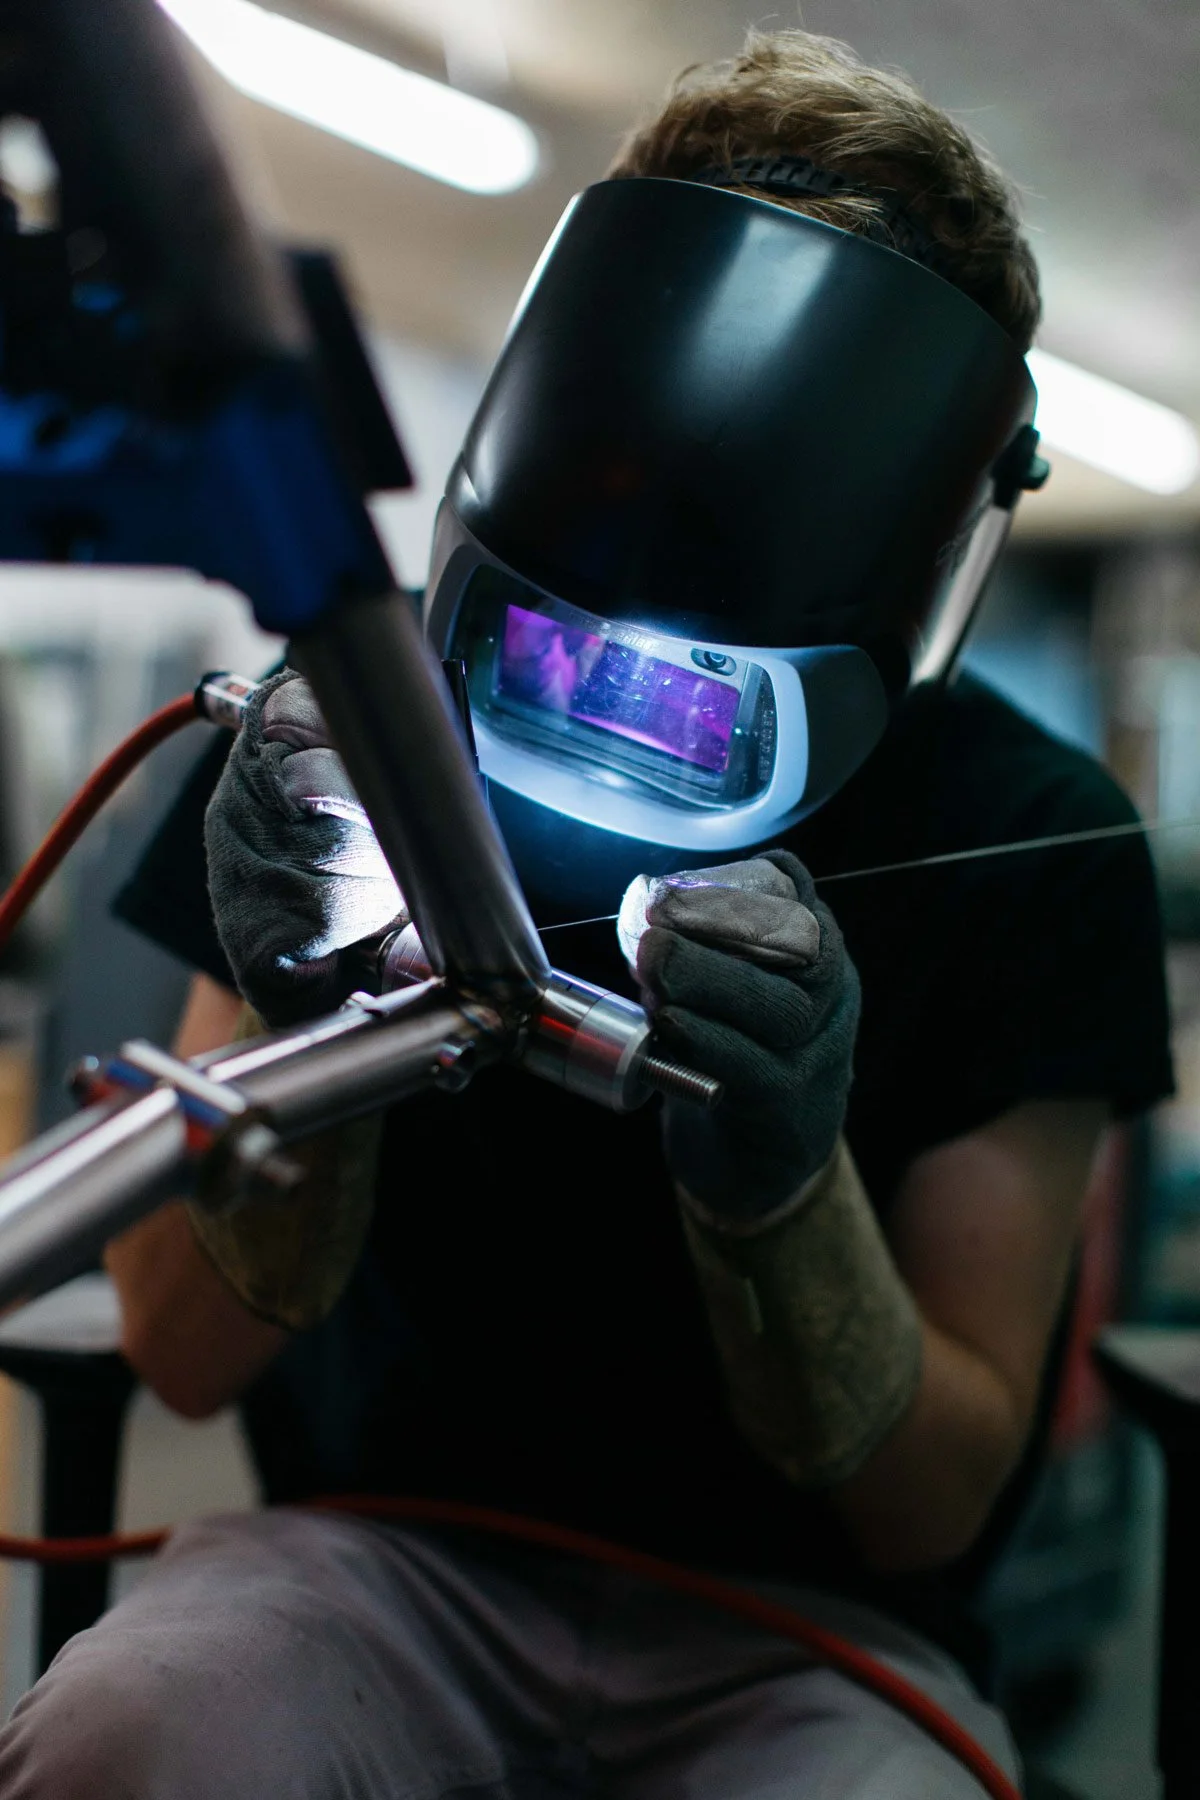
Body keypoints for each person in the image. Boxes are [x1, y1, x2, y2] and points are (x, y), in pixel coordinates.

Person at [0, 28, 1172, 1800]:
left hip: (804, 1636)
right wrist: (304, 1011)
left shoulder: (1038, 841)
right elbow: (175, 1347)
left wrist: (783, 1186)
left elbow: (936, 1487)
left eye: (703, 689)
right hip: (382, 1566)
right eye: (557, 652)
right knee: (132, 1737)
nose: (620, 711)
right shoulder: (350, 716)